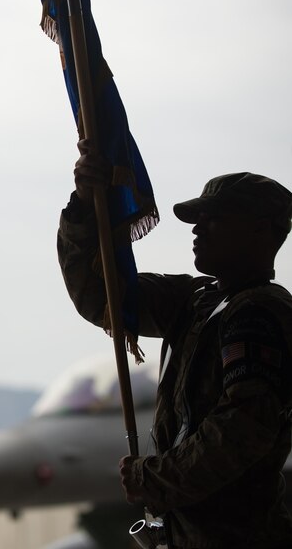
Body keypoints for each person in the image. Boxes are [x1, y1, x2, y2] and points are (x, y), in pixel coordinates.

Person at [58, 141, 292, 548]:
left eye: (215, 218)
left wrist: (153, 478)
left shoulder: (260, 315)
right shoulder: (196, 300)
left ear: (261, 228)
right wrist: (84, 203)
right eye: (197, 218)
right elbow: (102, 296)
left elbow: (242, 429)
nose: (197, 227)